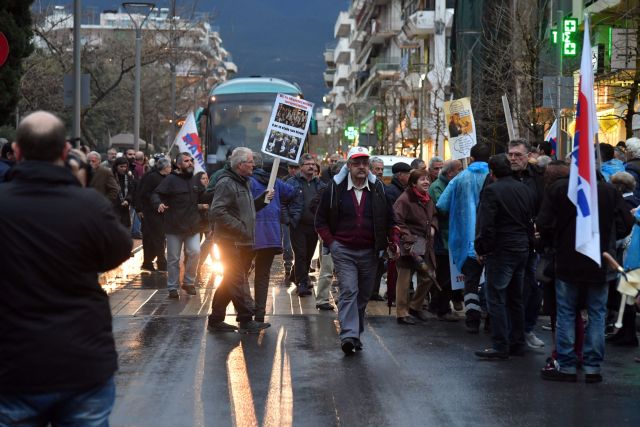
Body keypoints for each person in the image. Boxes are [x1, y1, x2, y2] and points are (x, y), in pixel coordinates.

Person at [0, 111, 132, 425]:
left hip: (12, 366)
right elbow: (119, 250)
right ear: (64, 152)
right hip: (82, 363)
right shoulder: (91, 206)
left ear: (17, 151)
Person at [537, 163, 633, 382]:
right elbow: (625, 223)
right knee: (597, 313)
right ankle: (592, 366)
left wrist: (557, 238)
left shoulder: (560, 189)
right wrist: (608, 237)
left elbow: (544, 223)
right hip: (599, 260)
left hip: (567, 260)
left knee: (567, 312)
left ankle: (568, 364)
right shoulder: (608, 191)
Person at [316, 146, 393, 355]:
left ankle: (355, 332)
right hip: (344, 250)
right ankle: (348, 334)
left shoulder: (378, 190)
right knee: (349, 290)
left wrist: (390, 240)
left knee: (363, 295)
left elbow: (389, 219)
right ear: (348, 166)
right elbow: (320, 220)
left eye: (364, 163)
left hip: (370, 252)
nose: (361, 167)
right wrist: (332, 243)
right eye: (356, 163)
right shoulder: (335, 189)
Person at [474, 154, 536, 359]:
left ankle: (501, 344)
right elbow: (529, 220)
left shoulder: (492, 191)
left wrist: (482, 248)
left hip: (502, 249)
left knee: (497, 298)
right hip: (521, 248)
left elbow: (487, 224)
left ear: (491, 173)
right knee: (515, 298)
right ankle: (517, 342)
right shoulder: (523, 189)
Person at [208, 147, 273, 334]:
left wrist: (262, 200)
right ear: (240, 164)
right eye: (251, 162)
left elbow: (246, 209)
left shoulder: (243, 181)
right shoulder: (226, 183)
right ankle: (246, 319)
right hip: (230, 242)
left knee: (230, 280)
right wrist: (240, 227)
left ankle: (216, 319)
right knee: (237, 280)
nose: (254, 165)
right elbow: (217, 211)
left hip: (243, 242)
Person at [436, 143, 490, 333]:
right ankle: (491, 319)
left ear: (472, 159)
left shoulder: (460, 179)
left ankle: (472, 319)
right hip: (490, 239)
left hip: (466, 239)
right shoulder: (495, 176)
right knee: (491, 280)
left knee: (471, 281)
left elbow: (442, 204)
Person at [151, 152, 212, 299]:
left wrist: (216, 192)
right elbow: (156, 194)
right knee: (173, 259)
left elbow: (203, 196)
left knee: (195, 252)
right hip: (174, 226)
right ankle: (172, 287)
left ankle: (189, 282)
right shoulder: (170, 180)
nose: (190, 163)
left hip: (192, 226)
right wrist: (158, 204)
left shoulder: (195, 180)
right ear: (179, 164)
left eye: (191, 160)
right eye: (186, 161)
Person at [508, 138, 546, 349]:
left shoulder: (538, 178)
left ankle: (526, 329)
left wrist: (540, 227)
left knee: (533, 288)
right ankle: (511, 333)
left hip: (533, 242)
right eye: (510, 154)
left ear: (527, 156)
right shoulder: (499, 176)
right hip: (508, 242)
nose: (513, 159)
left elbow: (544, 204)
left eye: (518, 155)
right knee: (509, 289)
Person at [250, 152, 296, 322]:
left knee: (238, 275)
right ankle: (260, 313)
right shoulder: (274, 181)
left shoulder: (247, 182)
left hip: (249, 234)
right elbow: (292, 192)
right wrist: (282, 210)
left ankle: (246, 310)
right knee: (262, 275)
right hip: (270, 234)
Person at [393, 168, 439, 325]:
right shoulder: (404, 199)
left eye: (427, 179)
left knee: (429, 275)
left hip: (425, 243)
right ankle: (401, 313)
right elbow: (397, 220)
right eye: (422, 179)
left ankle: (415, 306)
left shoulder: (428, 198)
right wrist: (408, 237)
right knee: (404, 279)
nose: (426, 182)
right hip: (409, 243)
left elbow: (434, 215)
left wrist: (433, 226)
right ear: (413, 183)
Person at [287, 153, 327, 296]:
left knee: (309, 254)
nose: (311, 166)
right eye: (308, 164)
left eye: (313, 164)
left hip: (314, 226)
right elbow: (283, 202)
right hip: (298, 226)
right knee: (301, 254)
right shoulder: (292, 183)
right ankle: (302, 284)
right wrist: (288, 219)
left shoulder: (320, 185)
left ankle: (295, 274)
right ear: (301, 167)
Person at [428, 159, 463, 319]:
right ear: (451, 173)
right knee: (444, 275)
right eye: (459, 169)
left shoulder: (448, 184)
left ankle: (437, 305)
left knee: (449, 275)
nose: (462, 172)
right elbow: (442, 209)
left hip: (452, 237)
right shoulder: (437, 187)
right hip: (443, 238)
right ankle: (441, 308)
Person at [136, 157, 172, 271]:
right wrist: (156, 201)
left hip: (162, 212)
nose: (171, 168)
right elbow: (144, 193)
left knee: (158, 237)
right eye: (170, 166)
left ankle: (150, 261)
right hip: (151, 212)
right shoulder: (151, 177)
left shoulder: (166, 177)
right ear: (165, 167)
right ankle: (160, 261)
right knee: (156, 237)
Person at [281, 162, 303, 285]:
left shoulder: (304, 181)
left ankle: (299, 272)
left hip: (301, 218)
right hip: (289, 219)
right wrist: (286, 218)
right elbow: (282, 202)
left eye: (296, 168)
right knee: (287, 245)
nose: (293, 170)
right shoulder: (284, 181)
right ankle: (288, 268)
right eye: (291, 168)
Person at [112, 156, 136, 228]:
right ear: (116, 166)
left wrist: (127, 200)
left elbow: (131, 190)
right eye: (121, 166)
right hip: (113, 207)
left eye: (125, 167)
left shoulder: (129, 176)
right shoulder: (111, 176)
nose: (123, 168)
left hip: (125, 207)